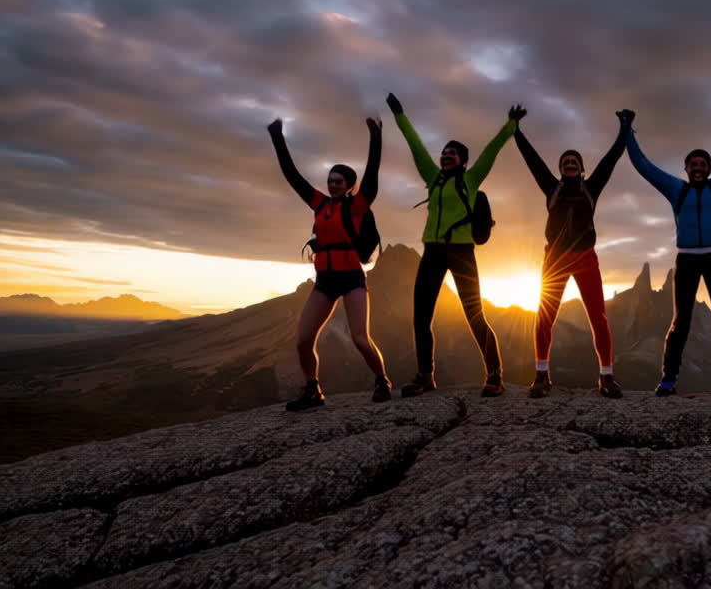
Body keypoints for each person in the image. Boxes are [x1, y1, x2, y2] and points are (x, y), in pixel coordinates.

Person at [387, 93, 522, 398]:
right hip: (432, 251)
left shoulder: (471, 180)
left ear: (463, 160)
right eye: (444, 152)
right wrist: (399, 115)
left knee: (475, 315)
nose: (445, 155)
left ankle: (495, 375)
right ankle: (425, 376)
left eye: (452, 153)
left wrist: (510, 125)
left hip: (461, 253)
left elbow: (492, 150)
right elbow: (415, 144)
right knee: (421, 316)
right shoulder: (433, 178)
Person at [626, 109, 711, 396]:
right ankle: (668, 379)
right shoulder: (676, 190)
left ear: (708, 169)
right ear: (686, 169)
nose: (698, 168)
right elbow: (644, 166)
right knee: (682, 320)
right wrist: (627, 130)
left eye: (702, 164)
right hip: (686, 259)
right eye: (693, 164)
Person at [267, 116, 391, 411]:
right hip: (324, 280)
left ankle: (382, 380)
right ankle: (313, 390)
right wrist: (277, 138)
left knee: (361, 338)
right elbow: (291, 174)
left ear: (349, 185)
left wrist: (376, 135)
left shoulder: (358, 206)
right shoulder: (319, 203)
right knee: (303, 340)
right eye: (330, 181)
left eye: (338, 181)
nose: (332, 185)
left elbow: (372, 172)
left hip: (351, 278)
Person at [514, 109, 633, 399]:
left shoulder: (591, 187)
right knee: (545, 318)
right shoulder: (551, 188)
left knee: (598, 318)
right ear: (560, 169)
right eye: (565, 162)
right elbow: (532, 160)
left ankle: (607, 377)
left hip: (585, 258)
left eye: (574, 162)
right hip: (554, 259)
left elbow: (612, 158)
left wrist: (624, 127)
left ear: (581, 169)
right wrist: (516, 129)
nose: (569, 164)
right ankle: (541, 376)